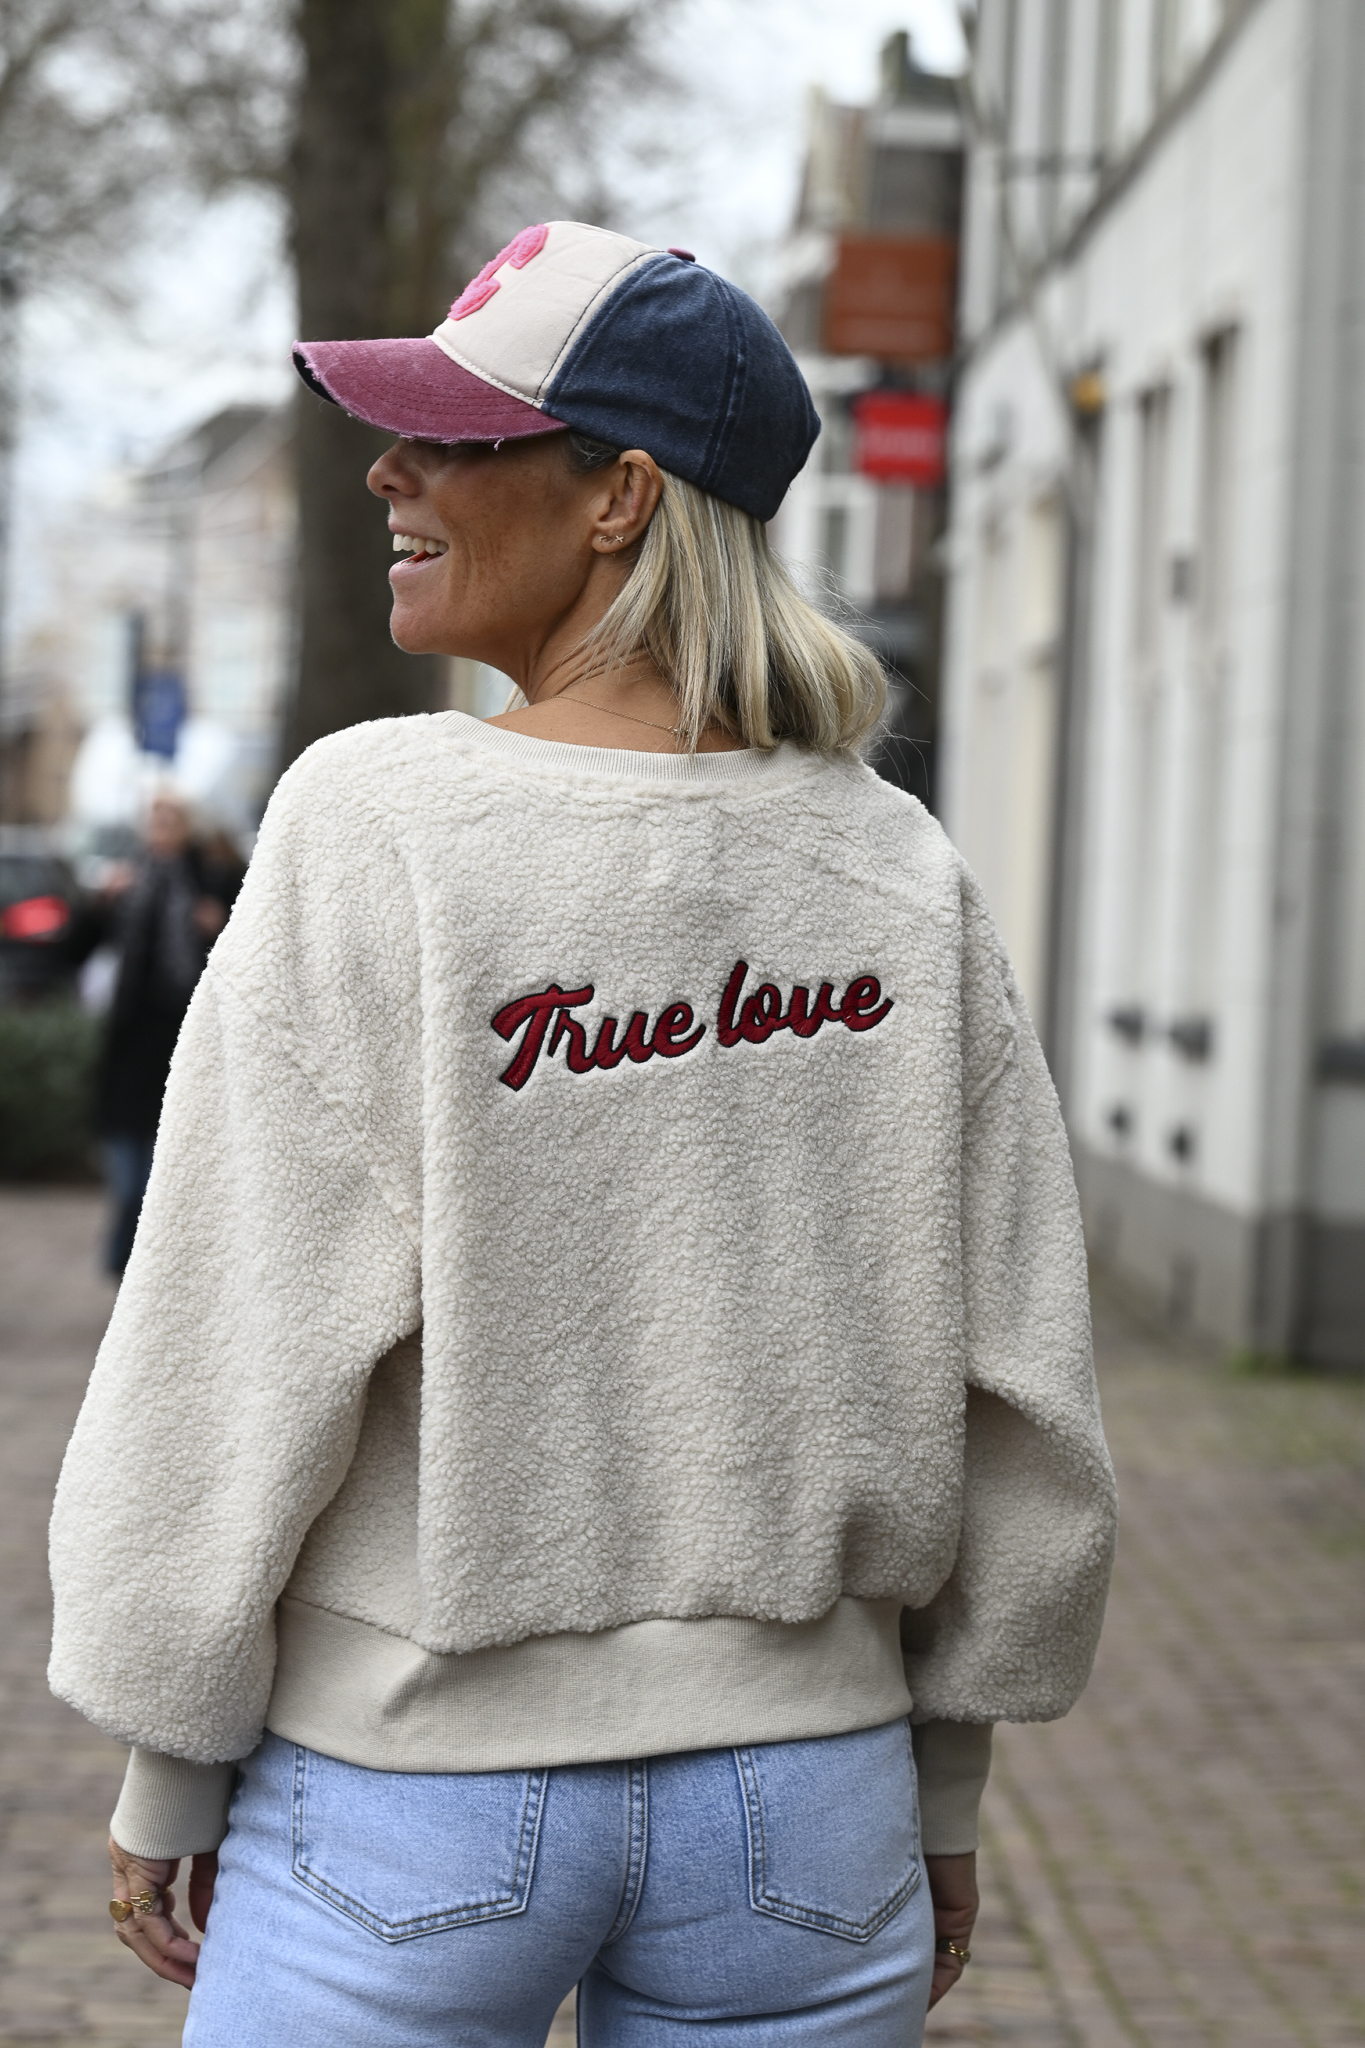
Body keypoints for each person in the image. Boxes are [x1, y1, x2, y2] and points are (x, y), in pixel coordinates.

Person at [49, 222, 1117, 2047]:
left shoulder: (377, 822)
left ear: (620, 496)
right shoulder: (893, 864)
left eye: (456, 435)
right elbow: (1019, 1366)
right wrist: (941, 1783)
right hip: (812, 1805)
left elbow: (232, 1330)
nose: (389, 471)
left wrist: (171, 1749)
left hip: (411, 1795)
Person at [92, 791, 243, 1275]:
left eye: (170, 817)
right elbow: (78, 944)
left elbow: (248, 945)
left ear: (188, 824)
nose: (160, 826)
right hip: (129, 1040)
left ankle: (139, 1266)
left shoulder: (214, 877)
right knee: (128, 1174)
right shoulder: (129, 877)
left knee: (166, 1169)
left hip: (183, 1040)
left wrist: (219, 924)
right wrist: (101, 903)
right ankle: (128, 1261)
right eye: (154, 818)